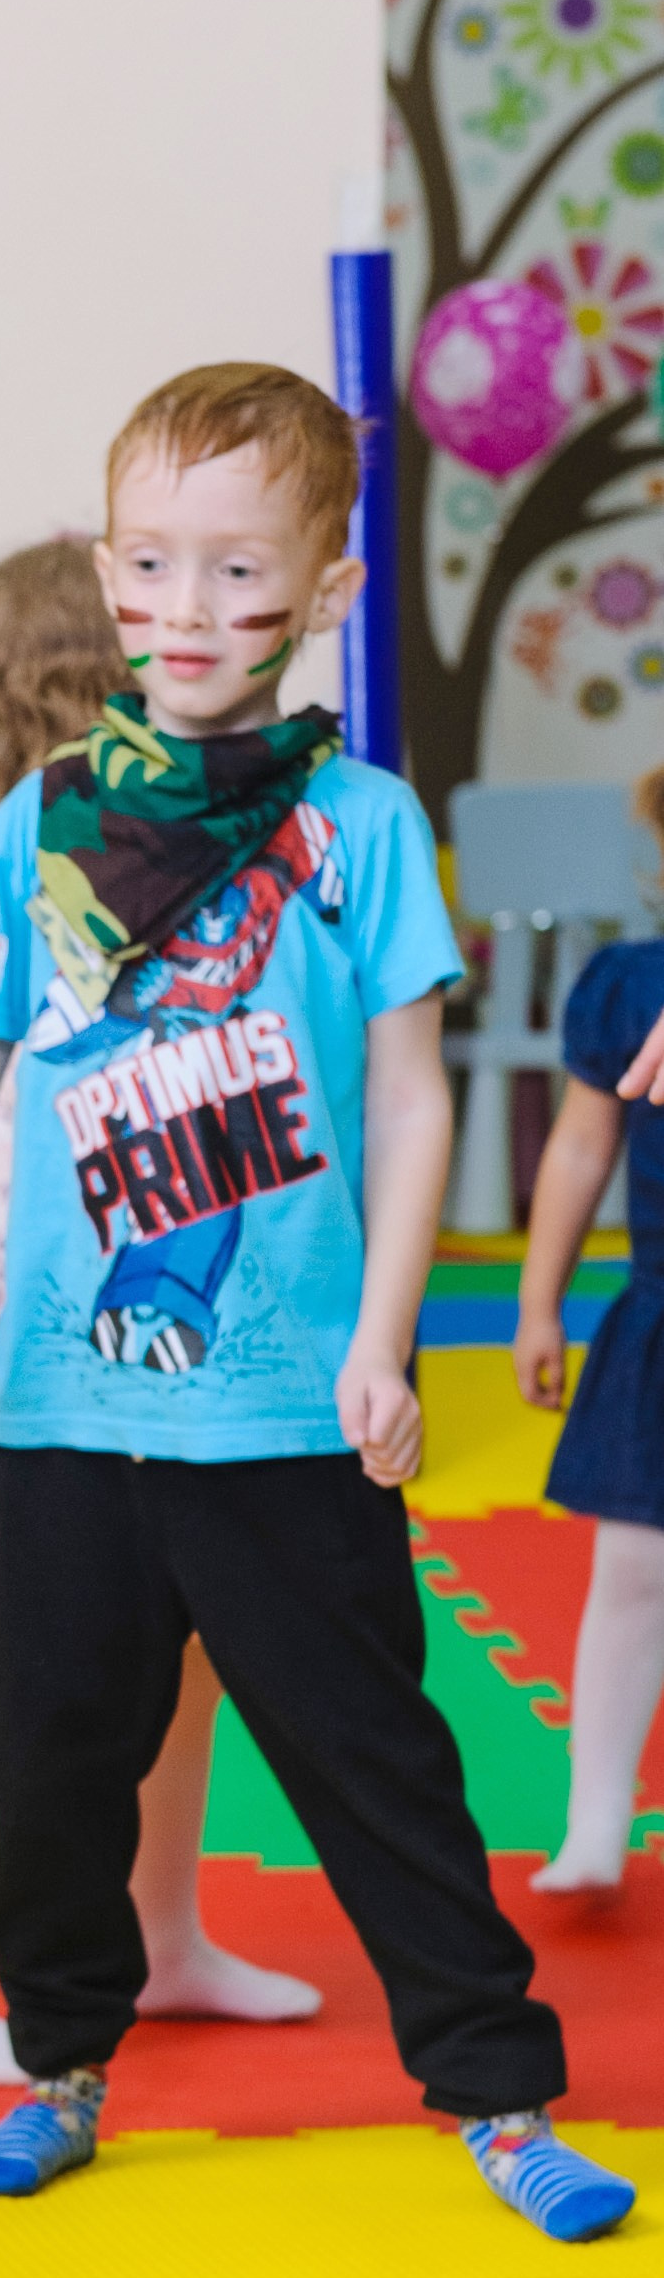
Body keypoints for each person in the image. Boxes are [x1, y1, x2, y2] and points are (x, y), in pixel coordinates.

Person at [0, 361, 634, 2247]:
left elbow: (423, 1090)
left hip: (282, 1407)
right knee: (51, 1756)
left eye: (232, 573)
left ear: (324, 594)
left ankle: (498, 2093)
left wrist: (383, 1333)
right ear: (105, 569)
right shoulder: (39, 824)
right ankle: (59, 2063)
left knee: (374, 1754)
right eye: (146, 566)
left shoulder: (354, 827)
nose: (182, 615)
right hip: (65, 1402)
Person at [0, 536, 318, 2082]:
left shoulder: (154, 853)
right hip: (34, 1327)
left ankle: (160, 1934)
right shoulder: (64, 865)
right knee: (15, 1679)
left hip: (143, 1311)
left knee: (177, 1648)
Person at [511, 791, 664, 1892]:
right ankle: (596, 1811)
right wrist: (535, 1301)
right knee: (632, 1571)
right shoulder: (623, 988)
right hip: (658, 1308)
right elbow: (576, 1149)